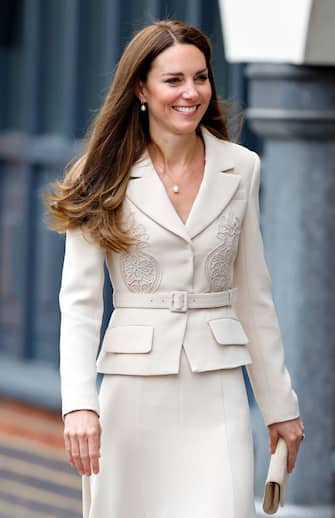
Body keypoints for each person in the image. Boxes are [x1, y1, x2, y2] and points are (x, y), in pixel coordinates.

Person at [46, 19, 304, 518]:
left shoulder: (242, 167)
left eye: (201, 77)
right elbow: (78, 303)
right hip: (132, 394)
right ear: (141, 88)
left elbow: (254, 296)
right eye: (174, 80)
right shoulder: (99, 174)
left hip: (218, 390)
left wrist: (280, 406)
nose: (192, 93)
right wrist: (80, 403)